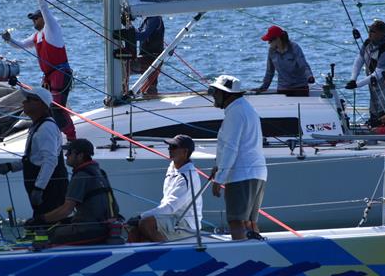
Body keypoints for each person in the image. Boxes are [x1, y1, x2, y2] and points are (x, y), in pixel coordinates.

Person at [1, 0, 76, 140]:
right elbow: (20, 45)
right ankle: (55, 136)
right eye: (32, 19)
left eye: (36, 18)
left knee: (57, 109)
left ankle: (72, 138)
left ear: (43, 18)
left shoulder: (52, 29)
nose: (34, 20)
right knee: (46, 108)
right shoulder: (37, 36)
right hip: (49, 77)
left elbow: (44, 8)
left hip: (60, 73)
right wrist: (9, 40)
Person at [0, 87, 68, 221]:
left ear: (42, 105)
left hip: (50, 189)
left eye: (29, 100)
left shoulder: (46, 128)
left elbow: (50, 161)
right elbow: (34, 159)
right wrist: (11, 167)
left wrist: (39, 188)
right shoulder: (37, 126)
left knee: (49, 223)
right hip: (44, 187)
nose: (24, 102)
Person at [208, 75, 268, 240]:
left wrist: (219, 179)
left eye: (216, 92)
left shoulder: (235, 113)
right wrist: (218, 165)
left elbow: (231, 148)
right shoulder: (247, 108)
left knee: (236, 221)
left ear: (227, 95)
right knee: (249, 222)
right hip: (257, 172)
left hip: (241, 174)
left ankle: (244, 257)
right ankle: (258, 254)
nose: (213, 95)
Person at [30, 138, 119, 245]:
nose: (66, 155)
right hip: (105, 228)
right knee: (61, 225)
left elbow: (66, 210)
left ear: (80, 156)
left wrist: (40, 219)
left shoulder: (81, 176)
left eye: (69, 152)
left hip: (90, 230)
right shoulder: (100, 172)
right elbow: (114, 206)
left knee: (49, 234)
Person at [127, 134, 203, 242]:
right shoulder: (173, 167)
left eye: (173, 147)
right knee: (135, 230)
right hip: (170, 218)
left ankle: (168, 253)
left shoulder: (187, 176)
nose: (169, 149)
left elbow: (171, 207)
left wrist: (141, 216)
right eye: (169, 147)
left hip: (185, 223)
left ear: (185, 152)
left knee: (146, 223)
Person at [345, 20, 385, 125]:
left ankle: (384, 128)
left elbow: (378, 73)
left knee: (383, 106)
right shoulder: (367, 43)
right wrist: (353, 79)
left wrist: (357, 85)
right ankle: (374, 124)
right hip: (372, 82)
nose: (369, 33)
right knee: (374, 106)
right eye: (369, 30)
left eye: (373, 31)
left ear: (382, 34)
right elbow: (359, 59)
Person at [257, 25, 315, 96]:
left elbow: (303, 65)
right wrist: (263, 88)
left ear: (278, 39)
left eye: (270, 40)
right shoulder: (271, 51)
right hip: (283, 88)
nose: (268, 43)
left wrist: (309, 76)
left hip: (300, 87)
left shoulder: (294, 48)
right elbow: (269, 72)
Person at [130, 16, 165, 95]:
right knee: (150, 85)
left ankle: (123, 93)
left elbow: (143, 35)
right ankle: (150, 95)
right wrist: (128, 25)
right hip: (149, 58)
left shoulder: (154, 19)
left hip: (152, 58)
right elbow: (139, 31)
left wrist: (127, 35)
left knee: (124, 67)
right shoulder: (147, 20)